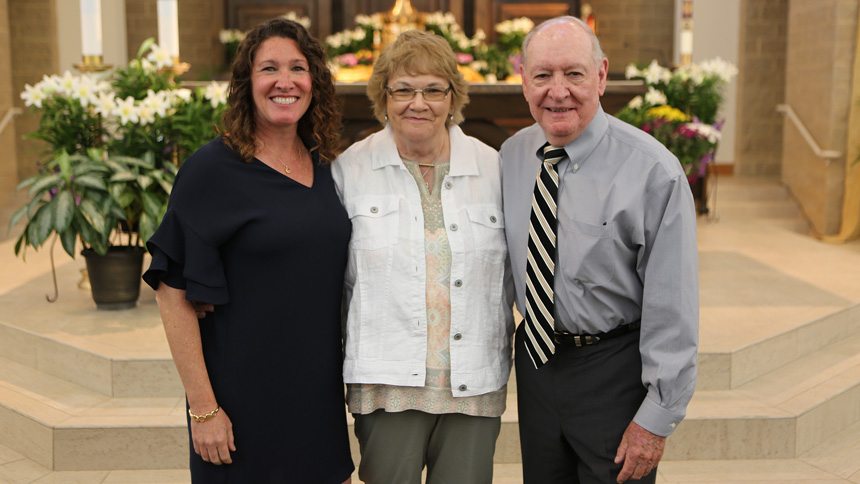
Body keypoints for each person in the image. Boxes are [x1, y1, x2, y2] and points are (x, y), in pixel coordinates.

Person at [142, 18, 353, 483]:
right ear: (246, 83)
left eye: (298, 68)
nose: (285, 81)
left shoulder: (324, 166)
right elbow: (171, 292)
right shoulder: (210, 170)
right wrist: (203, 409)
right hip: (237, 403)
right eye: (269, 69)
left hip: (314, 398)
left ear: (314, 81)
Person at [500, 16, 699, 484]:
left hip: (614, 370)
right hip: (537, 366)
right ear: (524, 82)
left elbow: (674, 306)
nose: (558, 91)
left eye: (574, 74)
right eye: (542, 75)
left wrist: (657, 417)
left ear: (602, 75)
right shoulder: (511, 157)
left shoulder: (654, 172)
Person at [331, 29, 514, 484]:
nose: (419, 103)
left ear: (453, 97)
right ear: (383, 97)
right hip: (386, 381)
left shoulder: (495, 168)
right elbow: (334, 283)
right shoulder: (349, 170)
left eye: (434, 90)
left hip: (473, 380)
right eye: (403, 90)